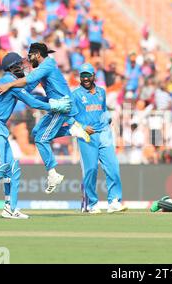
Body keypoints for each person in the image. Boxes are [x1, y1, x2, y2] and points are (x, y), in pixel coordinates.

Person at [0, 52, 72, 219]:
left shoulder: (12, 83)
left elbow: (28, 90)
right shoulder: (7, 80)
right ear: (12, 67)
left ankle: (10, 208)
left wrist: (45, 79)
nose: (23, 66)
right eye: (19, 64)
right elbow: (32, 102)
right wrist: (54, 106)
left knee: (12, 168)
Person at [0, 42, 90, 194]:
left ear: (38, 54)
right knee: (36, 133)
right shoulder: (43, 69)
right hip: (57, 106)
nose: (28, 59)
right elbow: (28, 88)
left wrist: (9, 85)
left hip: (61, 106)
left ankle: (53, 174)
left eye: (30, 55)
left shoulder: (48, 64)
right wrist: (13, 90)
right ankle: (72, 129)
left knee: (41, 139)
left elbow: (28, 80)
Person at [72, 63, 127, 214]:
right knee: (91, 170)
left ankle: (114, 201)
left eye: (88, 75)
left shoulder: (102, 92)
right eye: (82, 75)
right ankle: (92, 203)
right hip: (87, 136)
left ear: (94, 76)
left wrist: (107, 118)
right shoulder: (76, 95)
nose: (85, 78)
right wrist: (83, 127)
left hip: (104, 133)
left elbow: (103, 110)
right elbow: (70, 117)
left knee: (113, 167)